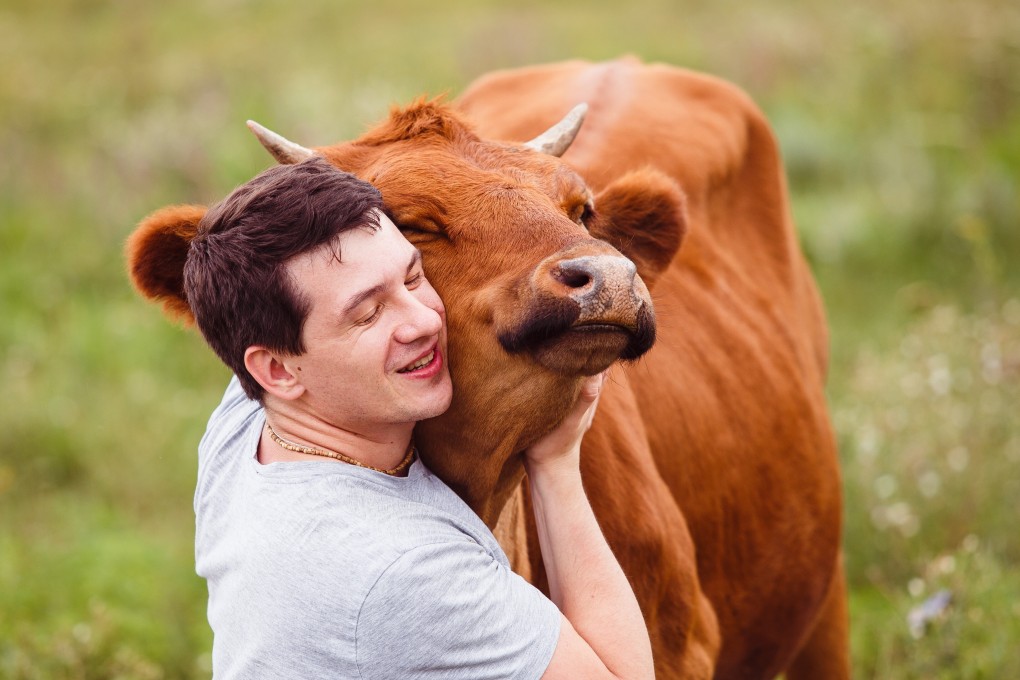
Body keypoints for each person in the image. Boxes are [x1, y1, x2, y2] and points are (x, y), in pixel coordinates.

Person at [183, 157, 653, 679]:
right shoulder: (404, 571)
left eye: (414, 275)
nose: (425, 319)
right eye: (368, 313)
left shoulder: (243, 425)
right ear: (277, 369)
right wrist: (556, 463)